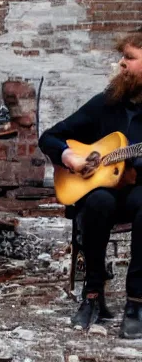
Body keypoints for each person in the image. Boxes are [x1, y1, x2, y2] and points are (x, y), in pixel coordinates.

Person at [39, 29, 142, 338]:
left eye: (130, 57)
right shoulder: (105, 103)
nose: (121, 64)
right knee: (97, 202)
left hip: (138, 193)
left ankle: (136, 302)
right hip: (101, 194)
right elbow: (50, 137)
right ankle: (93, 296)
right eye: (122, 56)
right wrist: (70, 158)